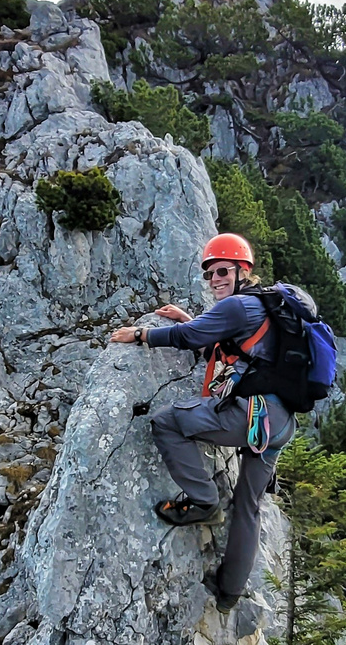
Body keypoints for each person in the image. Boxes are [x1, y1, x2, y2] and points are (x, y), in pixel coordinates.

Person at [108, 233, 301, 612]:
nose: (215, 279)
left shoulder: (239, 306)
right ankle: (229, 594)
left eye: (223, 271)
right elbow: (231, 345)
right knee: (248, 506)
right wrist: (191, 321)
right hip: (278, 423)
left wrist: (142, 334)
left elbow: (191, 336)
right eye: (210, 274)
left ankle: (203, 500)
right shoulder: (262, 306)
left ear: (242, 271)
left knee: (166, 423)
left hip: (252, 417)